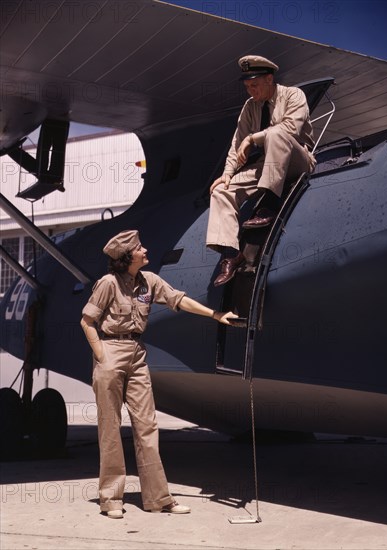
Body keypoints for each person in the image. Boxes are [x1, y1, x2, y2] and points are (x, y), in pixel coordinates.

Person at [80, 229, 237, 518]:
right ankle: (111, 499)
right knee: (110, 428)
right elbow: (87, 320)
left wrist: (216, 315)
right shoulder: (108, 284)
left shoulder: (149, 281)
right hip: (111, 350)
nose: (145, 250)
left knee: (147, 427)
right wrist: (102, 356)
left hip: (137, 354)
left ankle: (158, 499)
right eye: (140, 248)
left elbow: (179, 300)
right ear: (127, 257)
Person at [206, 55, 317, 286]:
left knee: (277, 133)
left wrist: (253, 138)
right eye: (247, 86)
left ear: (269, 79)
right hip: (269, 163)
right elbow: (237, 144)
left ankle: (268, 205)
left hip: (298, 159)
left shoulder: (293, 95)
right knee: (221, 192)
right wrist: (227, 174)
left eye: (254, 85)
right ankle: (230, 255)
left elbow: (290, 130)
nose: (250, 91)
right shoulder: (250, 107)